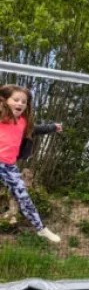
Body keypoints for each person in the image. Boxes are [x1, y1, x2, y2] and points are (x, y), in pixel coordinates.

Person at [0, 85, 60, 242]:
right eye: (16, 100)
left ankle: (40, 229)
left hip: (8, 166)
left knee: (24, 197)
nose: (20, 103)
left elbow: (37, 129)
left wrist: (53, 127)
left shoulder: (23, 123)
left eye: (24, 101)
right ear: (5, 101)